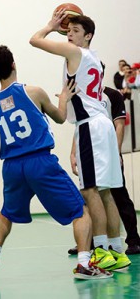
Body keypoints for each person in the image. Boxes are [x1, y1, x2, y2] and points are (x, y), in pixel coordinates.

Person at [0, 45, 112, 281]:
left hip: (11, 166)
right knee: (81, 210)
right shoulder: (33, 92)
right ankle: (83, 263)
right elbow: (60, 118)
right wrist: (65, 97)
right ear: (13, 64)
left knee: (6, 212)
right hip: (39, 161)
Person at [30, 10, 131, 271]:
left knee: (89, 191)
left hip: (91, 127)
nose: (69, 35)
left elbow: (34, 40)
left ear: (88, 36)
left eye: (75, 31)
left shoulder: (75, 53)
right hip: (103, 125)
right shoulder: (93, 59)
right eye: (68, 30)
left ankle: (99, 251)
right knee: (106, 191)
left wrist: (51, 26)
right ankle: (117, 250)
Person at [68, 86, 140, 255]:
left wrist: (116, 152)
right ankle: (90, 243)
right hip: (89, 149)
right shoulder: (82, 95)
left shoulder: (112, 95)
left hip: (107, 150)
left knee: (118, 195)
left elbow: (119, 125)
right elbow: (79, 126)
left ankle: (133, 240)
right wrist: (73, 152)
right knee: (90, 197)